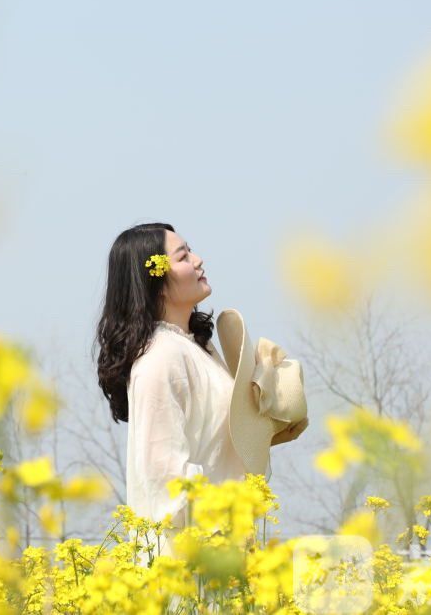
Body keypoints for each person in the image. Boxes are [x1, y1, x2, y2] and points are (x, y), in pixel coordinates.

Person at [93, 222, 307, 559]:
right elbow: (164, 473)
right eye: (183, 256)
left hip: (222, 550)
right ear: (156, 280)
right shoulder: (160, 358)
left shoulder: (197, 349)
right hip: (191, 561)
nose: (198, 260)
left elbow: (220, 439)